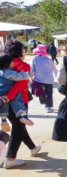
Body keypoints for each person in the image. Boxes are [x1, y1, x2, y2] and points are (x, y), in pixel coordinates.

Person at [2, 40, 41, 169]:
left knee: (19, 126)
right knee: (18, 128)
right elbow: (21, 84)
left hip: (4, 102)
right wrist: (8, 97)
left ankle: (33, 148)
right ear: (20, 51)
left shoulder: (3, 64)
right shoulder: (23, 65)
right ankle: (10, 158)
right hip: (19, 101)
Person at [0, 53, 34, 131]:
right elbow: (17, 76)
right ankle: (24, 117)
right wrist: (26, 74)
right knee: (18, 103)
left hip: (1, 94)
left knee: (3, 107)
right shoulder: (8, 72)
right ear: (8, 63)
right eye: (12, 62)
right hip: (8, 92)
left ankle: (3, 121)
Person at [31, 44, 58, 113]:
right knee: (49, 93)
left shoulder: (34, 59)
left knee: (41, 92)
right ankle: (48, 106)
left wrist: (32, 76)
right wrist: (55, 73)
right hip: (48, 79)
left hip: (38, 78)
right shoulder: (48, 60)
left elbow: (32, 70)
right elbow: (54, 68)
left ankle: (43, 103)